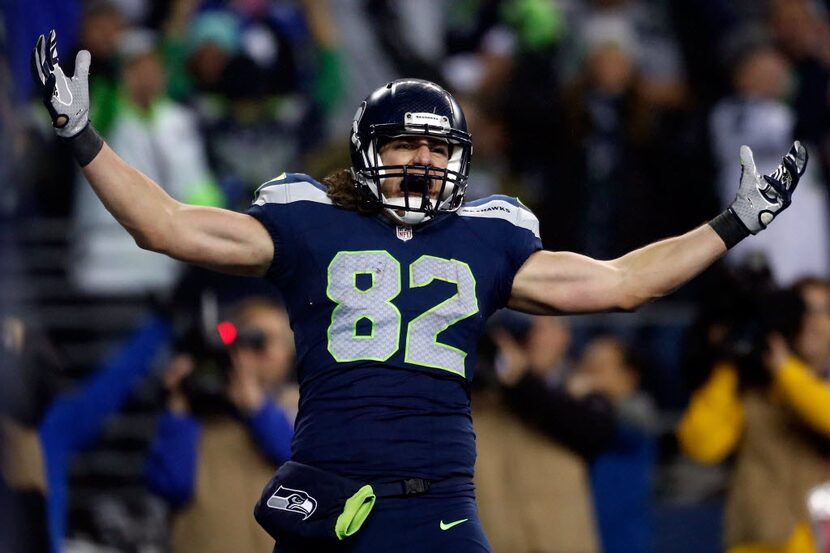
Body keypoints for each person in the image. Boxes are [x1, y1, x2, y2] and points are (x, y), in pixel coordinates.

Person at [31, 29, 808, 553]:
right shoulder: (308, 218)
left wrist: (733, 222)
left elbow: (624, 283)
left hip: (437, 497)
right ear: (368, 152)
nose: (423, 162)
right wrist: (85, 138)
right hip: (327, 491)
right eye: (405, 144)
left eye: (437, 149)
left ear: (460, 161)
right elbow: (165, 225)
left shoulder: (492, 233)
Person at [677, 278, 830, 553]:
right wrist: (729, 361)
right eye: (801, 309)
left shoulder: (795, 380)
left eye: (823, 311)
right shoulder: (752, 387)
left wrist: (785, 370)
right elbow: (702, 446)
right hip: (757, 542)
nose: (810, 321)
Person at [145, 296, 296, 553]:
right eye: (249, 341)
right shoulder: (200, 415)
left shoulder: (303, 405)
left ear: (289, 354)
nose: (258, 354)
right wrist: (179, 409)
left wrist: (258, 409)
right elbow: (172, 486)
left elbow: (297, 458)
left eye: (268, 341)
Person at [474, 313, 615, 553]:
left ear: (564, 336)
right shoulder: (476, 400)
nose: (531, 335)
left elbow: (594, 433)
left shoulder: (581, 391)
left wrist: (523, 380)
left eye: (543, 325)